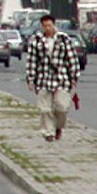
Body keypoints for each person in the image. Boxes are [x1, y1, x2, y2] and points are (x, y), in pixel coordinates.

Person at [25, 14, 81, 142]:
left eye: (49, 25)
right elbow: (32, 61)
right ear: (41, 26)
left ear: (53, 25)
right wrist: (30, 79)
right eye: (45, 26)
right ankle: (48, 132)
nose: (47, 28)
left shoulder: (63, 39)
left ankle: (58, 127)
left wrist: (74, 77)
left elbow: (72, 58)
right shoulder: (36, 41)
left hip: (61, 78)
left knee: (61, 107)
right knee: (45, 109)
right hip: (43, 78)